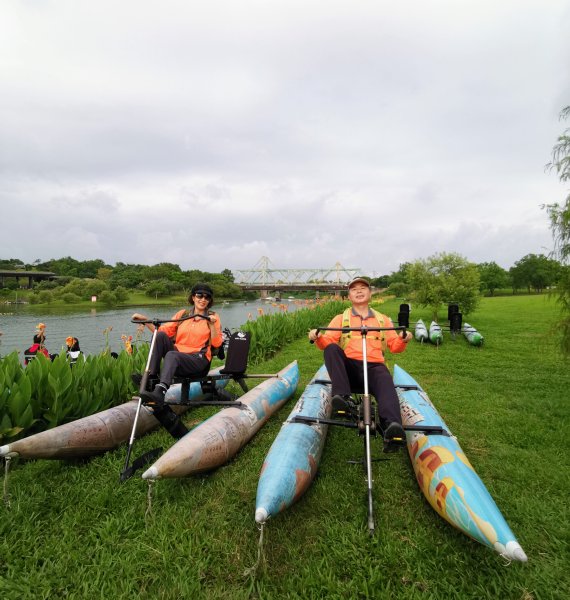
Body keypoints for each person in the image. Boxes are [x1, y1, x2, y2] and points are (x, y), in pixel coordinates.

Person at [308, 277, 413, 450]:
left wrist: (403, 339)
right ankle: (342, 398)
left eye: (363, 287)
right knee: (332, 349)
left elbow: (395, 346)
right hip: (349, 369)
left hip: (374, 367)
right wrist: (317, 337)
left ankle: (392, 427)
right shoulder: (341, 318)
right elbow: (327, 343)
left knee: (385, 380)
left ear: (370, 294)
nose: (358, 291)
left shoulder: (383, 320)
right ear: (349, 296)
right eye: (354, 288)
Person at [131, 283, 223, 438]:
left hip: (198, 361)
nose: (203, 299)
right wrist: (146, 321)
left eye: (207, 297)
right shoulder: (182, 314)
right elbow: (162, 331)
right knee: (159, 336)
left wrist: (212, 325)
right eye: (200, 295)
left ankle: (160, 391)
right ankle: (152, 380)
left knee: (172, 355)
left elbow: (216, 344)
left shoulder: (213, 317)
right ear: (193, 297)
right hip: (179, 358)